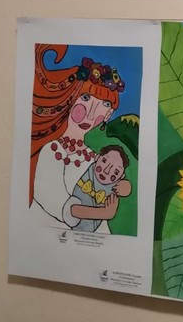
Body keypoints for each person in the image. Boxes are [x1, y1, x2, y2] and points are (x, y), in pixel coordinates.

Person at [29, 45, 126, 228]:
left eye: (105, 104)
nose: (92, 112)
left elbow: (107, 183)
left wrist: (123, 187)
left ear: (108, 115)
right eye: (86, 98)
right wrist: (102, 213)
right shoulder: (52, 151)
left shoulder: (95, 157)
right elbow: (55, 201)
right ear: (71, 99)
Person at [62, 146, 132, 233]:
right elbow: (72, 210)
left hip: (94, 231)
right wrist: (105, 213)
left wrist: (127, 187)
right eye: (104, 161)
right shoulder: (87, 166)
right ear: (97, 157)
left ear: (121, 176)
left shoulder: (115, 184)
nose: (106, 171)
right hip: (72, 221)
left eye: (116, 172)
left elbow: (126, 187)